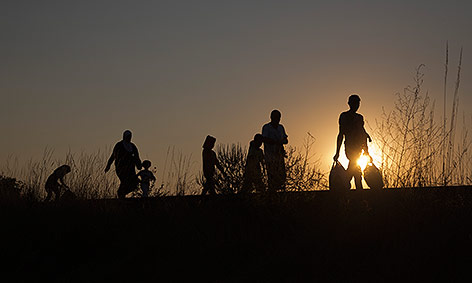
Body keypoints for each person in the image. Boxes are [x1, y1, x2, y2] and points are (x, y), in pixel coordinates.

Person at [333, 94, 372, 190]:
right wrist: (337, 152)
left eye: (358, 103)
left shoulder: (359, 117)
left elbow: (362, 134)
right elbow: (341, 134)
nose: (356, 105)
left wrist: (366, 151)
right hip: (350, 147)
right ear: (349, 104)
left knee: (355, 168)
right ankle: (351, 186)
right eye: (354, 103)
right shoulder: (344, 116)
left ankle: (345, 184)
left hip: (359, 147)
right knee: (354, 165)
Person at [105, 130, 142, 198]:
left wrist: (139, 165)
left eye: (130, 136)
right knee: (125, 181)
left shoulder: (132, 146)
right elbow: (113, 155)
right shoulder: (119, 145)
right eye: (128, 136)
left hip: (131, 168)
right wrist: (108, 165)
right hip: (121, 168)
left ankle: (122, 194)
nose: (129, 138)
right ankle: (120, 194)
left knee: (134, 183)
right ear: (124, 136)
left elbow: (137, 156)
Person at [262, 110, 288, 192]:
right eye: (275, 117)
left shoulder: (281, 127)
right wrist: (274, 142)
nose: (277, 119)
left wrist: (281, 142)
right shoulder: (266, 127)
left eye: (278, 117)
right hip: (270, 156)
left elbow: (286, 140)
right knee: (272, 176)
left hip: (279, 156)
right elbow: (264, 139)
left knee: (282, 176)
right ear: (271, 117)